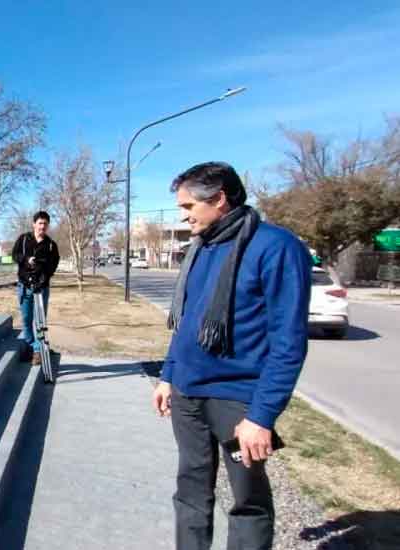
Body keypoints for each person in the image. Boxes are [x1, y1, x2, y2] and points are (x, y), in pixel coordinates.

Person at [152, 162, 311, 550]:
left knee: (248, 500)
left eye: (189, 207)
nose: (183, 216)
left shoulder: (276, 247)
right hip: (188, 396)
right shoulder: (201, 248)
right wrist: (169, 375)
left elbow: (288, 342)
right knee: (190, 489)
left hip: (238, 402)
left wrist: (261, 416)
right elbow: (188, 322)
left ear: (219, 198)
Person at [12, 211, 60, 365]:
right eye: (40, 223)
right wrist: (26, 260)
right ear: (34, 224)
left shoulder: (51, 245)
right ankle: (30, 346)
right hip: (24, 286)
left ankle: (39, 351)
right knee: (26, 319)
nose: (42, 226)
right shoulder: (24, 239)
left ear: (48, 226)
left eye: (45, 224)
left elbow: (53, 266)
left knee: (39, 321)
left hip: (41, 288)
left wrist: (44, 277)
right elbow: (15, 255)